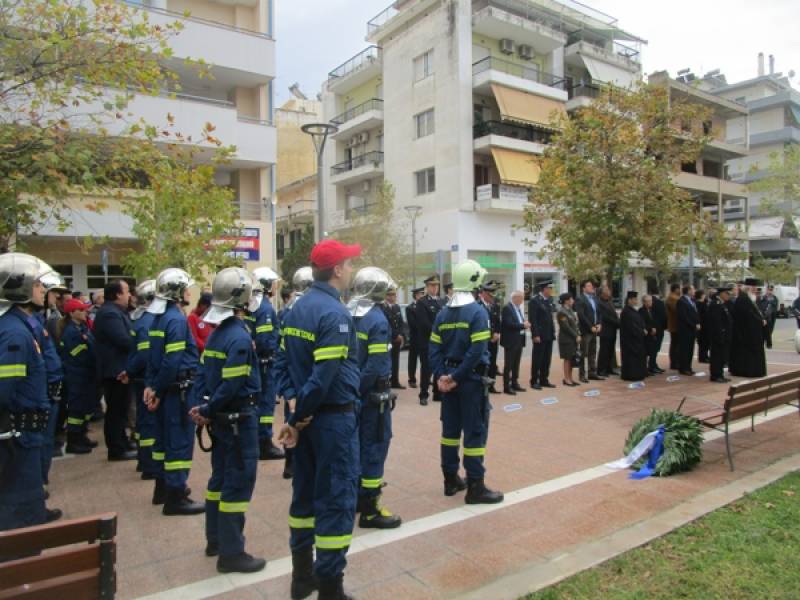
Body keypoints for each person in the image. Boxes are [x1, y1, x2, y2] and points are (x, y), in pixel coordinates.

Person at [275, 239, 362, 600]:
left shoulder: (296, 309)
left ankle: (302, 578)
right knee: (336, 500)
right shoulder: (335, 315)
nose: (353, 268)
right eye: (350, 262)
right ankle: (330, 588)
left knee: (304, 499)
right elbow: (323, 379)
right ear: (338, 269)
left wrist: (294, 408)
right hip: (330, 423)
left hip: (309, 420)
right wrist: (298, 418)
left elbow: (283, 365)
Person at [190, 267, 266, 574]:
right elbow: (232, 385)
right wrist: (207, 410)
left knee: (218, 480)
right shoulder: (238, 336)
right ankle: (232, 552)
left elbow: (202, 374)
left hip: (222, 421)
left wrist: (202, 406)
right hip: (237, 421)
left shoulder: (218, 333)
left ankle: (215, 540)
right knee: (237, 484)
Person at [430, 259, 503, 505]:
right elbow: (476, 351)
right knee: (474, 432)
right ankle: (476, 486)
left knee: (450, 432)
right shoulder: (477, 312)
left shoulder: (442, 313)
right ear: (474, 282)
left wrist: (443, 376)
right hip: (470, 381)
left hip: (449, 381)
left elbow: (434, 349)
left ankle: (450, 479)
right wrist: (456, 377)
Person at [0, 253, 63, 531]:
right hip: (19, 434)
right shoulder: (15, 333)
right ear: (21, 288)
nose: (43, 290)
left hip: (25, 431)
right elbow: (5, 390)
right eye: (38, 285)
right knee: (21, 511)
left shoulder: (21, 325)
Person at [144, 268, 204, 515]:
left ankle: (162, 489)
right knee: (179, 442)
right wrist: (157, 388)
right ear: (177, 292)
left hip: (165, 389)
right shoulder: (176, 319)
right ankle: (176, 496)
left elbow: (152, 357)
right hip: (178, 390)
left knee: (163, 442)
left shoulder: (157, 318)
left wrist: (151, 386)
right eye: (186, 287)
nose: (189, 292)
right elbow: (172, 360)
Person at [348, 267, 402, 530]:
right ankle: (370, 509)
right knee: (375, 448)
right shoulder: (378, 320)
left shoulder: (349, 314)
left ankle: (359, 499)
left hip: (354, 395)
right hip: (372, 396)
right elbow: (375, 364)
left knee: (358, 446)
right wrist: (360, 389)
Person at [276, 266, 313, 481]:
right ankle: (293, 463)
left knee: (291, 418)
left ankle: (290, 464)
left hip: (292, 381)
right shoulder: (310, 311)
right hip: (306, 383)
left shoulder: (288, 311)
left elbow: (281, 355)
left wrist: (289, 394)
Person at [93, 280, 136, 461]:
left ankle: (122, 441)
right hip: (115, 371)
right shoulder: (109, 313)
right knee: (116, 411)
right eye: (126, 291)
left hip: (120, 368)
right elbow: (124, 340)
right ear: (117, 294)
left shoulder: (116, 312)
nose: (129, 295)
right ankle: (116, 449)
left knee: (121, 409)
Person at [250, 267, 285, 461]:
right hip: (265, 363)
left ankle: (259, 440)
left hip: (257, 362)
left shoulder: (252, 305)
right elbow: (264, 340)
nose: (275, 286)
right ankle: (264, 442)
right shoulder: (265, 308)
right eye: (272, 283)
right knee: (265, 403)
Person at [127, 280, 159, 480]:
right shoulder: (148, 321)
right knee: (148, 422)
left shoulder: (140, 319)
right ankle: (149, 464)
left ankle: (143, 460)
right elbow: (144, 354)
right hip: (146, 378)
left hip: (140, 377)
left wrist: (128, 371)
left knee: (142, 421)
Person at [59, 298, 98, 454]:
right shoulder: (71, 332)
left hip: (86, 375)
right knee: (77, 409)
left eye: (85, 309)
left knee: (85, 408)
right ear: (71, 313)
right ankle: (74, 440)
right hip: (77, 375)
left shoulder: (82, 328)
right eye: (81, 310)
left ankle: (82, 436)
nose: (85, 312)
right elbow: (80, 355)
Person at [729, 279, 767, 378]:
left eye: (755, 288)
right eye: (753, 288)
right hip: (745, 332)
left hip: (753, 331)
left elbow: (755, 312)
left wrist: (761, 319)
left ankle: (755, 370)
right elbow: (746, 315)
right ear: (748, 288)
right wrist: (760, 321)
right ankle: (747, 371)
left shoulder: (752, 298)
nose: (755, 289)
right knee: (746, 353)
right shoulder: (743, 299)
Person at [415, 275, 443, 406]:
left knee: (439, 367)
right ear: (427, 287)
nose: (435, 288)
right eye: (432, 285)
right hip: (427, 341)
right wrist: (439, 333)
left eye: (436, 285)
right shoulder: (422, 302)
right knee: (426, 369)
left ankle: (437, 393)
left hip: (440, 342)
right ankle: (423, 394)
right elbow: (424, 323)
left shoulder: (442, 302)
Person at [574, 280, 603, 384]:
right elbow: (581, 316)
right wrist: (590, 327)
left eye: (592, 286)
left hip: (595, 329)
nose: (591, 287)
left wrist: (599, 323)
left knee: (593, 352)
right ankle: (582, 375)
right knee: (583, 353)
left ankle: (592, 372)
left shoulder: (595, 298)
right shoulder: (580, 299)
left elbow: (599, 312)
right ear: (583, 288)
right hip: (586, 330)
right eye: (589, 286)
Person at [501, 291, 528, 395]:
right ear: (515, 298)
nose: (522, 301)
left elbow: (519, 321)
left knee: (516, 363)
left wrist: (524, 323)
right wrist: (523, 325)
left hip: (519, 339)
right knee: (509, 365)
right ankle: (506, 387)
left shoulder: (517, 308)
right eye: (521, 298)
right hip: (510, 340)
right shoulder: (507, 308)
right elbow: (508, 324)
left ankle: (515, 383)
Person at [529, 281, 555, 389]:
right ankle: (534, 380)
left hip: (548, 334)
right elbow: (533, 319)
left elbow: (550, 318)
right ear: (544, 289)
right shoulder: (534, 301)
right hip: (540, 335)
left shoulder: (549, 300)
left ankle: (544, 379)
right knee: (537, 359)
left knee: (547, 358)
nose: (551, 291)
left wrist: (553, 332)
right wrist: (535, 334)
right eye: (550, 288)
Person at [478, 281, 502, 394]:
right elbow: (479, 324)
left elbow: (498, 322)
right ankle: (481, 386)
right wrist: (490, 335)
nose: (492, 297)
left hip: (494, 339)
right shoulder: (478, 306)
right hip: (483, 340)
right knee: (482, 363)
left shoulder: (495, 305)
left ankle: (491, 385)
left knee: (492, 362)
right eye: (490, 295)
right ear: (483, 294)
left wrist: (497, 333)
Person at [620, 291, 648, 381]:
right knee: (631, 359)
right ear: (630, 300)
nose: (636, 301)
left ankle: (639, 373)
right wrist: (641, 331)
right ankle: (632, 375)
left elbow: (640, 321)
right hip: (630, 340)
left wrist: (643, 328)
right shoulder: (626, 312)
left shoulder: (632, 310)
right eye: (634, 299)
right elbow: (631, 327)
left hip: (637, 339)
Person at [708, 286, 733, 383]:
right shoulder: (716, 304)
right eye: (727, 293)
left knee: (722, 356)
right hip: (718, 335)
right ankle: (715, 375)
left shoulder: (722, 304)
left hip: (723, 334)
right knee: (717, 356)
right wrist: (721, 334)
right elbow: (716, 322)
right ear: (721, 294)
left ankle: (720, 374)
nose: (728, 296)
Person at [382, 285, 406, 390]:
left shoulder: (397, 307)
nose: (392, 297)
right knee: (387, 362)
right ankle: (386, 382)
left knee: (395, 361)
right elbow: (386, 324)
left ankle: (395, 381)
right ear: (386, 296)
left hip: (397, 339)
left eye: (394, 295)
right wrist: (395, 335)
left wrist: (401, 334)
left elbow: (401, 322)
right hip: (388, 339)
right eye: (390, 295)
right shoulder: (383, 308)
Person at [556, 293, 580, 386]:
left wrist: (578, 334)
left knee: (572, 358)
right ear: (566, 300)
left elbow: (574, 324)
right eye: (571, 299)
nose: (573, 301)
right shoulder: (561, 312)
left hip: (572, 339)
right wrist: (575, 336)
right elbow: (566, 327)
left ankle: (570, 378)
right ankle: (566, 379)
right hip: (566, 339)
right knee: (567, 359)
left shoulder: (569, 310)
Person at [676, 285, 700, 376]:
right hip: (685, 329)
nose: (694, 291)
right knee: (684, 349)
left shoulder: (692, 300)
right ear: (688, 291)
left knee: (690, 349)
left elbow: (695, 313)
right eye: (693, 289)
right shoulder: (681, 301)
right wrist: (693, 325)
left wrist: (697, 323)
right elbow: (683, 317)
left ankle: (688, 367)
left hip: (692, 329)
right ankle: (683, 368)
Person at [597, 286, 620, 377]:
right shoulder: (599, 303)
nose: (609, 291)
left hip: (612, 330)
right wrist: (618, 323)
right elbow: (606, 317)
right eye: (606, 290)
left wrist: (618, 321)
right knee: (604, 350)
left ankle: (609, 368)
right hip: (605, 330)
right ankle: (601, 370)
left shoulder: (609, 302)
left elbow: (614, 314)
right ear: (602, 293)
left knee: (610, 350)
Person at [406, 287, 424, 390]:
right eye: (421, 294)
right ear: (416, 295)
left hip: (424, 338)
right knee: (412, 360)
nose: (422, 296)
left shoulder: (424, 306)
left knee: (424, 360)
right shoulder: (410, 308)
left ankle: (425, 379)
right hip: (415, 337)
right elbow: (412, 324)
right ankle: (412, 380)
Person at [639, 295, 662, 376]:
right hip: (647, 335)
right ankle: (645, 369)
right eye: (648, 301)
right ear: (644, 302)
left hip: (653, 334)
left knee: (653, 351)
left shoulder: (652, 310)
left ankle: (652, 367)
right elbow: (642, 323)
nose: (651, 302)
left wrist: (655, 328)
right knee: (646, 353)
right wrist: (650, 328)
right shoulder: (641, 311)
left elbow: (654, 320)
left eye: (651, 301)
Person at [649, 292, 668, 373]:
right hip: (659, 328)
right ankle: (652, 365)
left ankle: (652, 364)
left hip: (651, 328)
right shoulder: (660, 303)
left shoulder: (648, 303)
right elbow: (664, 315)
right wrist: (665, 326)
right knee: (655, 348)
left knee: (652, 348)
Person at [666, 283, 681, 370]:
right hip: (674, 324)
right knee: (675, 344)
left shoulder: (674, 297)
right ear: (676, 289)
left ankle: (675, 362)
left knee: (676, 344)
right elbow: (677, 309)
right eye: (679, 289)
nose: (680, 290)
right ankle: (674, 363)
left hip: (675, 324)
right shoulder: (672, 298)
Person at [695, 289, 710, 363]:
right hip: (702, 325)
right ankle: (702, 357)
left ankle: (705, 356)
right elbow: (699, 315)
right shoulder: (699, 304)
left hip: (706, 325)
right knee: (703, 342)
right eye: (704, 294)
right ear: (701, 295)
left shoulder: (703, 303)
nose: (705, 295)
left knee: (706, 342)